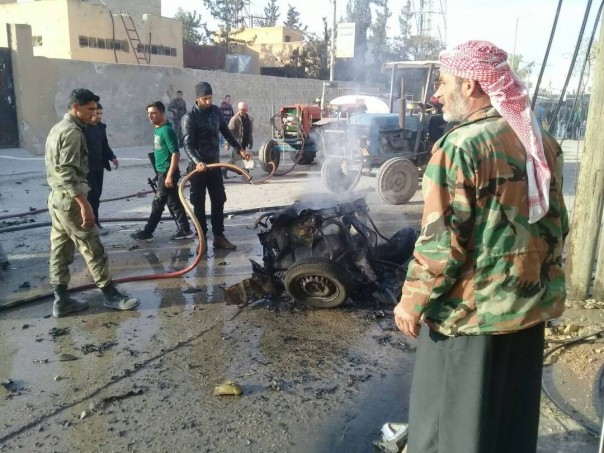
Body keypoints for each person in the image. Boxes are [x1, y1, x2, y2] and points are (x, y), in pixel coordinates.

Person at [393, 41, 568, 453]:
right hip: (527, 311)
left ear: (470, 85)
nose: (436, 93)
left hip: (470, 321)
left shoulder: (460, 147)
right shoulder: (541, 140)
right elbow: (558, 225)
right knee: (509, 426)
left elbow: (442, 244)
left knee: (450, 431)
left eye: (443, 82)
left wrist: (411, 302)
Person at [45, 88, 139, 318]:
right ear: (75, 107)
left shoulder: (58, 128)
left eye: (95, 109)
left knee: (60, 250)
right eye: (89, 109)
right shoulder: (73, 133)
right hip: (71, 201)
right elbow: (67, 172)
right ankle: (110, 294)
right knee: (93, 247)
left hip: (57, 200)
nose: (93, 114)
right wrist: (84, 205)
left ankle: (61, 300)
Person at [181, 82, 252, 250]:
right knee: (198, 203)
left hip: (214, 165)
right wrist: (197, 161)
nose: (208, 102)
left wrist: (240, 149)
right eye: (204, 99)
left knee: (219, 200)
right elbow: (187, 145)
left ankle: (219, 236)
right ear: (197, 98)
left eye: (210, 98)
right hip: (198, 168)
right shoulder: (189, 118)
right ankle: (202, 239)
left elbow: (227, 133)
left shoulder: (216, 112)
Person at [131, 101, 193, 242]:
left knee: (158, 203)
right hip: (162, 173)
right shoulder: (158, 129)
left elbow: (175, 154)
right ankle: (185, 230)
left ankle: (148, 232)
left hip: (167, 173)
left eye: (154, 113)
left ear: (162, 113)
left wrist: (169, 175)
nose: (151, 116)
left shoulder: (166, 131)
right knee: (174, 202)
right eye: (149, 113)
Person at [85, 102, 118, 235]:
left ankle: (94, 221)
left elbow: (104, 145)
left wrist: (112, 157)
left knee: (97, 195)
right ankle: (93, 224)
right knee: (92, 196)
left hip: (99, 166)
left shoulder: (100, 127)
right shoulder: (84, 129)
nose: (99, 116)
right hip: (88, 168)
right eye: (97, 113)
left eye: (101, 113)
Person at [225, 101, 253, 178]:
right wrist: (227, 144)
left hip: (245, 142)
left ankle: (224, 169)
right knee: (240, 160)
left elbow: (250, 132)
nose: (242, 111)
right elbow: (228, 132)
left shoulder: (249, 119)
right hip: (237, 143)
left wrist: (251, 141)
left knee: (235, 160)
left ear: (246, 109)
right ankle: (246, 175)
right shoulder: (235, 119)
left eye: (243, 109)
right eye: (240, 109)